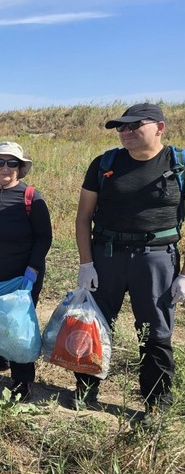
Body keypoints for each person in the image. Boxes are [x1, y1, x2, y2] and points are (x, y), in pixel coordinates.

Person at [74, 103, 181, 413]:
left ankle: (156, 405)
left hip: (157, 258)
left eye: (134, 125)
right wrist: (86, 263)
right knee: (94, 324)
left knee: (155, 332)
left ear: (160, 127)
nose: (125, 131)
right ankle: (85, 391)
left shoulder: (179, 164)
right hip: (106, 255)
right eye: (121, 126)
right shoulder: (104, 163)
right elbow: (84, 216)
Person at [0, 142, 52, 402]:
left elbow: (44, 237)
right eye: (0, 162)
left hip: (20, 274)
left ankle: (23, 379)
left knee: (17, 327)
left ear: (20, 167)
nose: (5, 168)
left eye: (12, 162)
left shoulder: (31, 197)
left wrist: (32, 269)